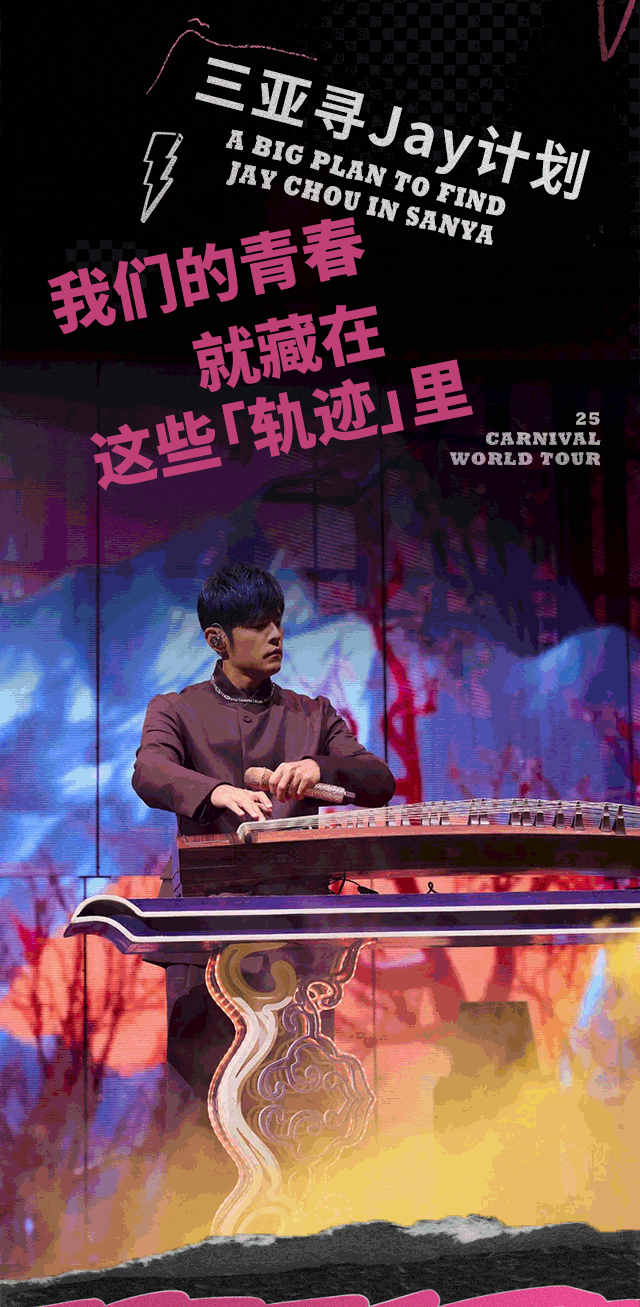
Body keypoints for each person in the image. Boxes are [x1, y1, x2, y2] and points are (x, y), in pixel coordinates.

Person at [132, 562, 395, 1102]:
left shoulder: (312, 715)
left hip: (293, 931)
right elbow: (150, 771)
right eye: (258, 626)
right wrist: (215, 792)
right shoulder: (176, 710)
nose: (276, 635)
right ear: (217, 640)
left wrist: (322, 767)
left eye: (278, 621)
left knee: (295, 1086)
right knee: (203, 1088)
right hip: (205, 930)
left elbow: (378, 780)